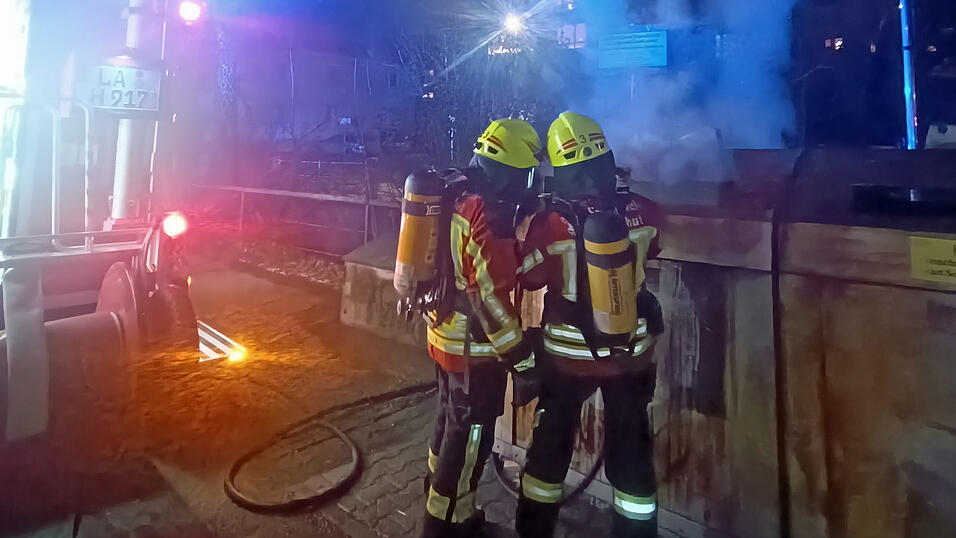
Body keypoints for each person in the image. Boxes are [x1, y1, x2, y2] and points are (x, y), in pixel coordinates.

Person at [515, 112, 664, 538]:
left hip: (567, 362)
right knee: (632, 455)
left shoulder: (552, 224)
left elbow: (528, 276)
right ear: (606, 158)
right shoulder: (643, 210)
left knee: (548, 455)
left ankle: (534, 532)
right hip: (629, 358)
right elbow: (654, 246)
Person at [421, 118, 540, 538]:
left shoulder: (456, 191)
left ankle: (449, 503)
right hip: (473, 351)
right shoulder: (488, 216)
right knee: (470, 440)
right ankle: (443, 525)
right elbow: (488, 299)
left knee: (448, 425)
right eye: (525, 173)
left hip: (442, 333)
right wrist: (523, 362)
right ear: (510, 171)